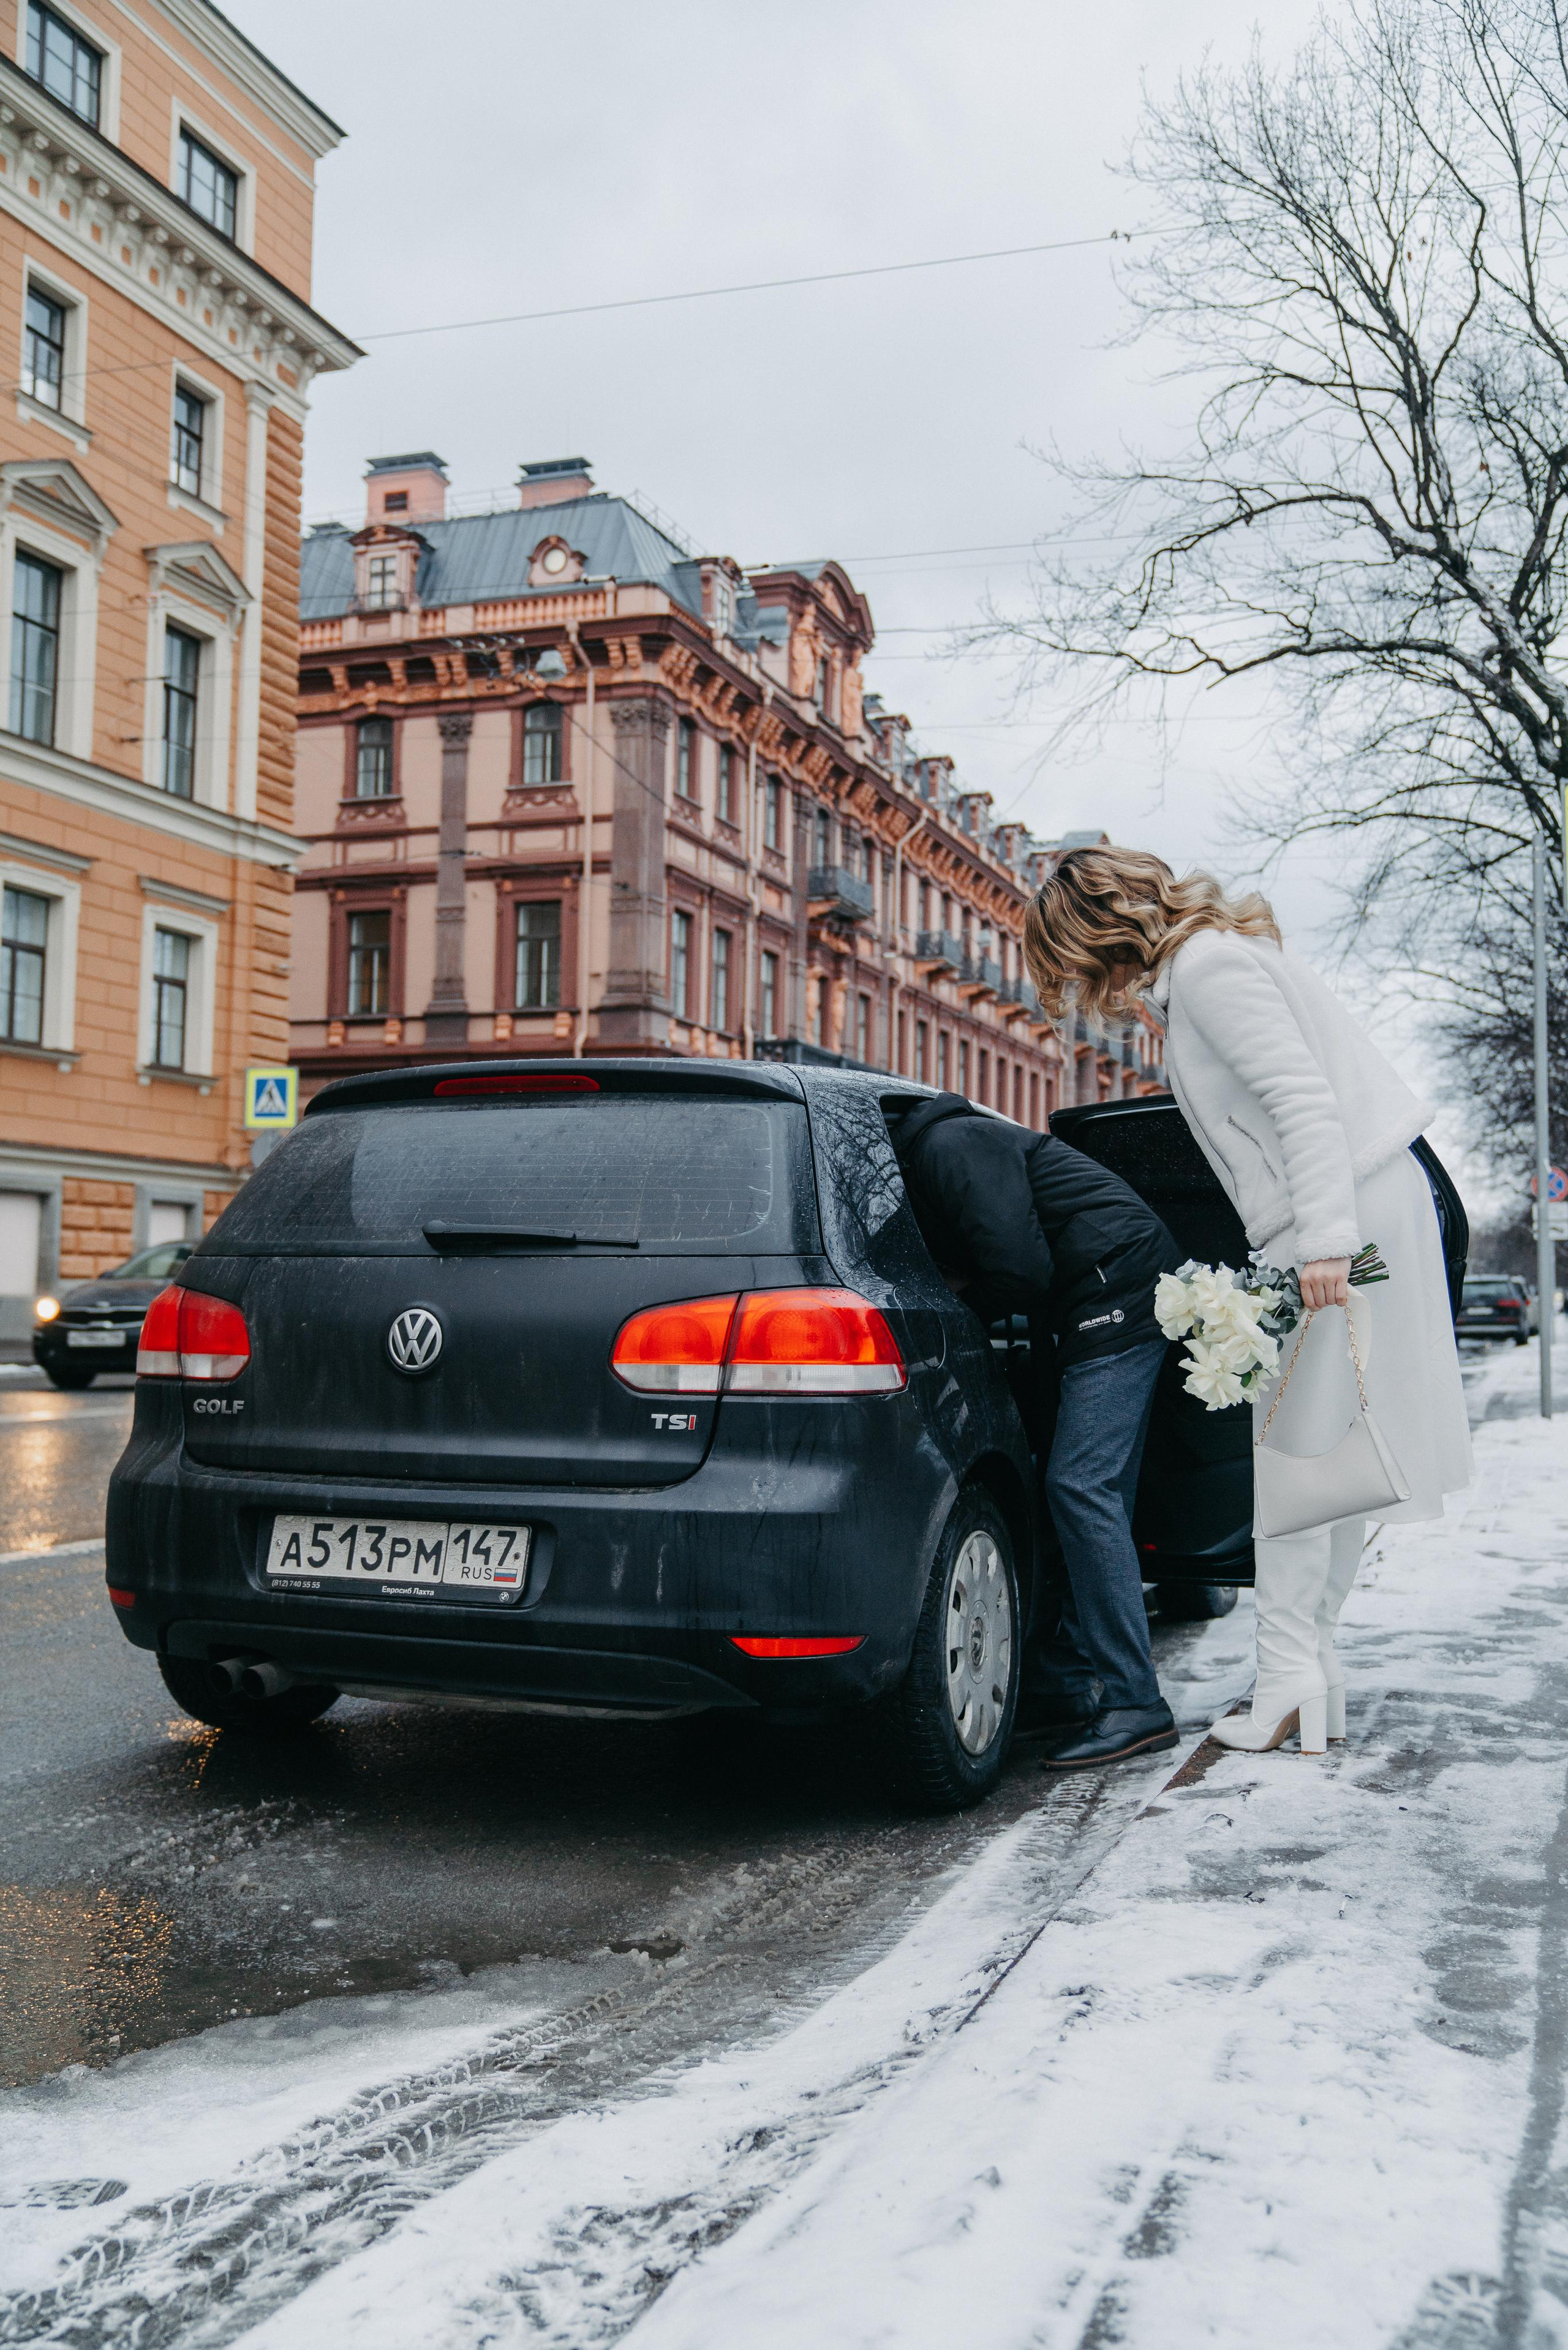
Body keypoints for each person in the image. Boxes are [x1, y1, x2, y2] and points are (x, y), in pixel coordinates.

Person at [1023, 846, 1472, 1755]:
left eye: (1071, 962)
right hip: (1355, 1204)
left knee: (1298, 1461)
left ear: (1098, 930)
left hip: (1342, 1213)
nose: (1082, 986)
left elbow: (1302, 1102)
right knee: (1331, 1465)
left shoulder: (1210, 971)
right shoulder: (1209, 968)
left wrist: (1322, 1244)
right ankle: (1310, 1675)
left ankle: (1287, 1681)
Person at [892, 1090, 1185, 1770]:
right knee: (1087, 1490)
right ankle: (1065, 1683)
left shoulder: (950, 1146)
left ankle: (1135, 1703)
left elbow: (1020, 1270)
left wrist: (956, 1307)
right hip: (1098, 1293)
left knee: (1081, 1487)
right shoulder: (946, 1153)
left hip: (1119, 1288)